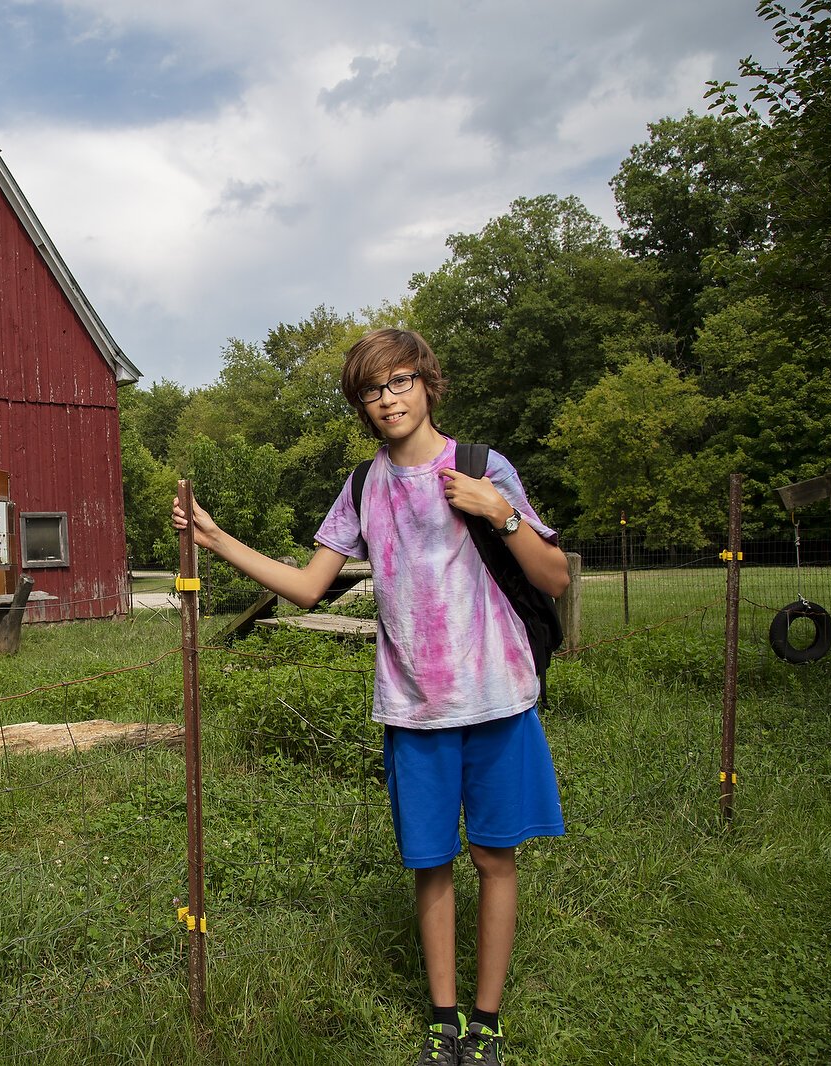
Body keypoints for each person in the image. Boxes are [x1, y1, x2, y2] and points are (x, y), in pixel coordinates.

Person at [172, 327, 568, 1065]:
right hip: (414, 708)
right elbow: (307, 586)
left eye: (400, 380)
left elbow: (554, 580)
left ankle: (488, 1024)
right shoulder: (364, 486)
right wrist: (218, 539)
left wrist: (498, 511)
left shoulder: (484, 469)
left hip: (498, 698)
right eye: (371, 389)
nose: (388, 399)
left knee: (495, 859)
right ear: (361, 404)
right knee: (431, 862)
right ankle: (445, 1024)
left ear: (428, 382)